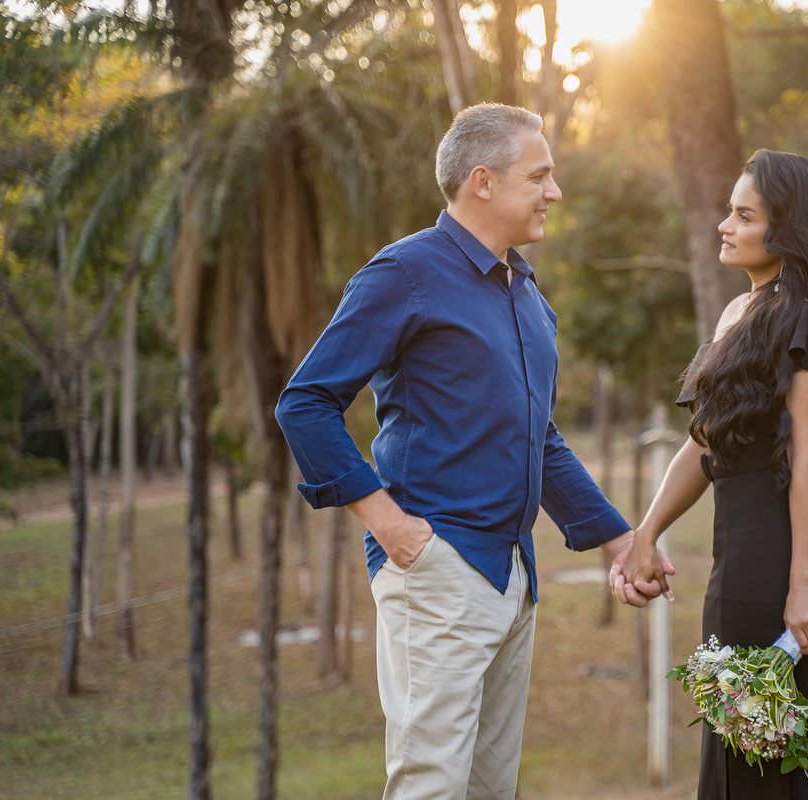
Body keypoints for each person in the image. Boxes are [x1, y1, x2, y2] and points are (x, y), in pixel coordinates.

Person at [275, 103, 667, 800]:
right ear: (482, 182)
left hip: (514, 576)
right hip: (438, 567)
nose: (555, 191)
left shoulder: (526, 294)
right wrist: (389, 525)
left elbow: (538, 439)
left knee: (490, 789)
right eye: (540, 176)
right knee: (431, 787)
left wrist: (619, 540)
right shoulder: (405, 273)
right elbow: (304, 403)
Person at [614, 149, 808, 799]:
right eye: (729, 210)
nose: (724, 225)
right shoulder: (736, 317)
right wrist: (647, 533)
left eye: (743, 214)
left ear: (785, 230)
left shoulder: (801, 321)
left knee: (768, 752)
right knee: (740, 745)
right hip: (745, 554)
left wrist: (805, 583)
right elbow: (703, 446)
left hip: (789, 554)